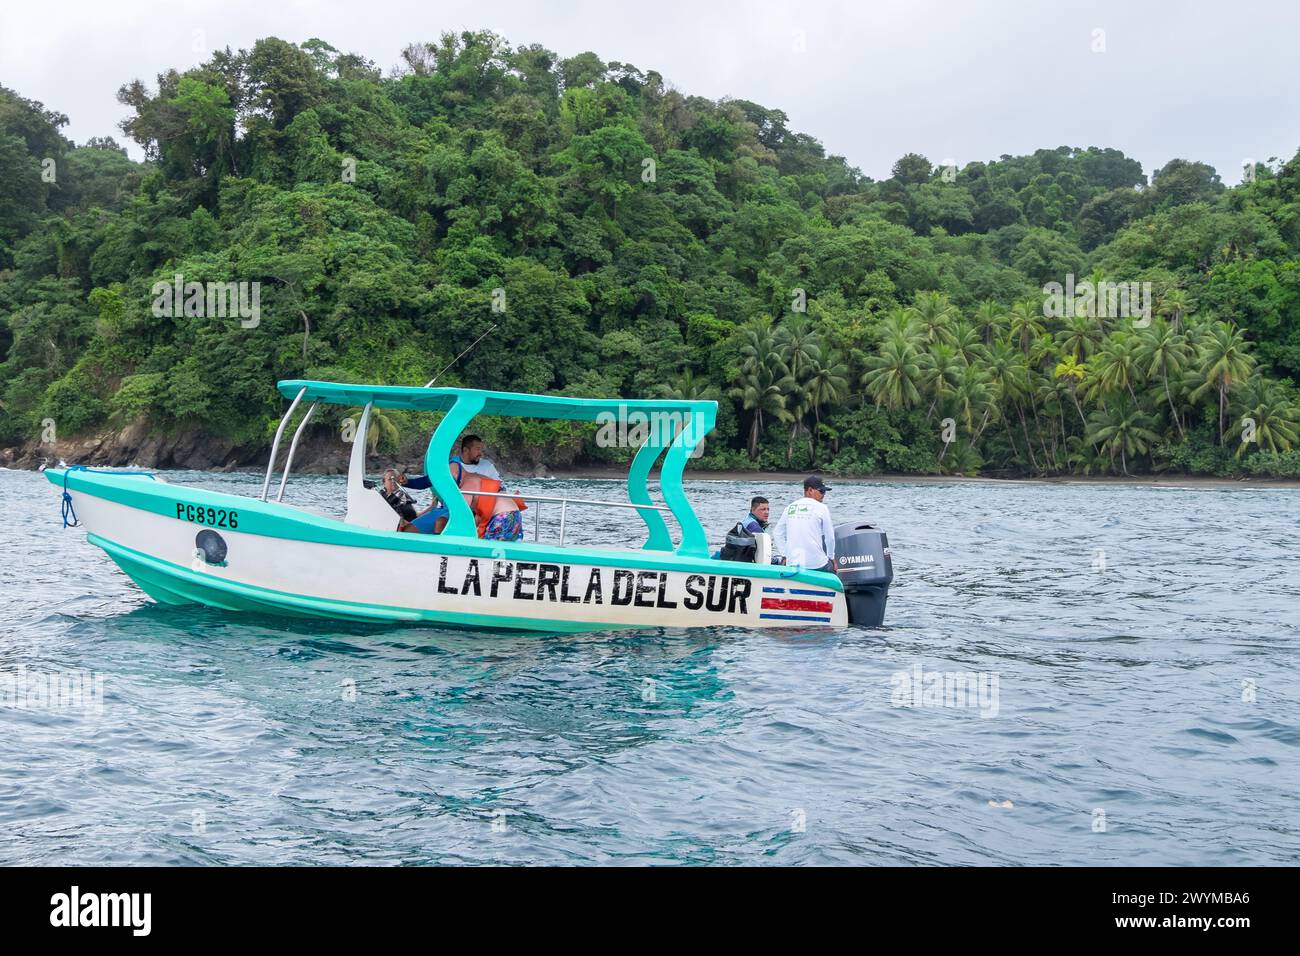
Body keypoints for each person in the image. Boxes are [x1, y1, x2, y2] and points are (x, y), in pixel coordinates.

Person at [772, 476, 837, 573]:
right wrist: (831, 557)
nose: (823, 495)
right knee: (833, 569)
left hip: (793, 563)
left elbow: (777, 533)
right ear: (810, 490)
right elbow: (830, 537)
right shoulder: (822, 508)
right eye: (821, 491)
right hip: (816, 564)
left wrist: (785, 555)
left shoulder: (790, 507)